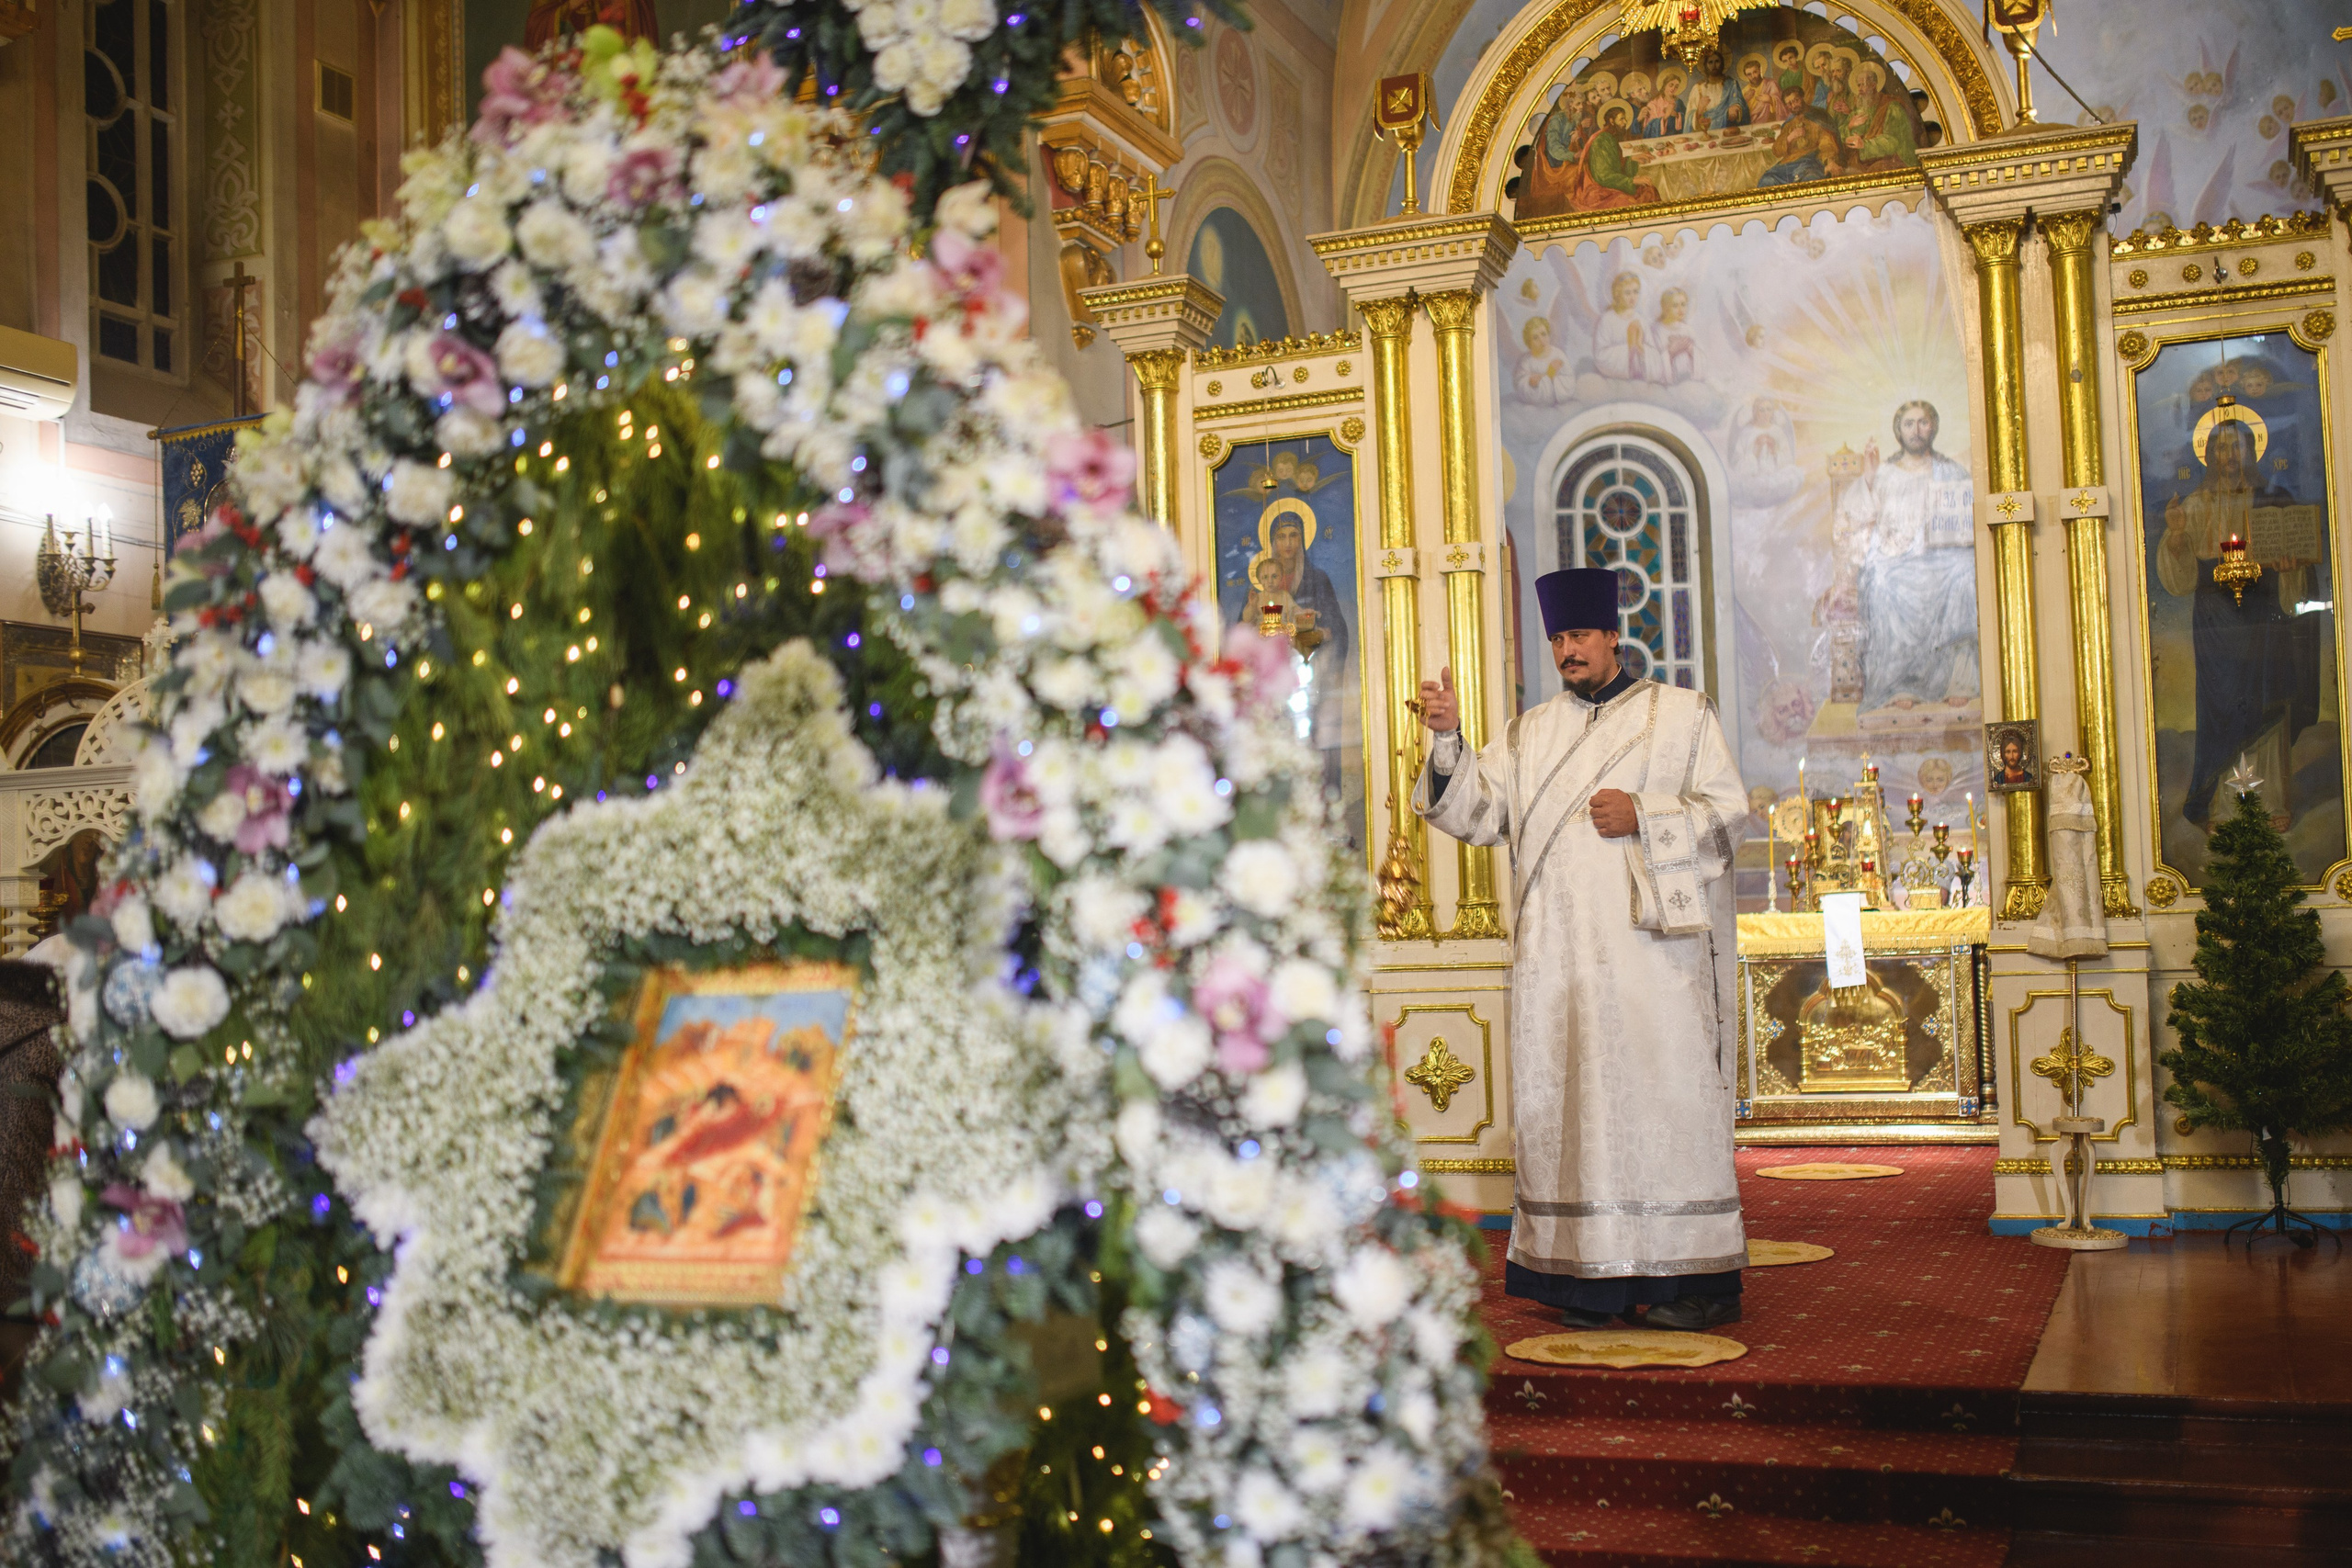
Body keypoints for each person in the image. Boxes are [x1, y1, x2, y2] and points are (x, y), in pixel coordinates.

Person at [1414, 568, 1748, 1331]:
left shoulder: (1683, 716)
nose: (1568, 650)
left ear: (1612, 636)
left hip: (1653, 969)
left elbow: (1729, 818)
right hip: (1560, 970)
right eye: (1559, 638)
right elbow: (1474, 810)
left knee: (1664, 1110)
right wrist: (1446, 739)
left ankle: (1688, 1283)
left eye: (1580, 637)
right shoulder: (1530, 733)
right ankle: (1581, 1280)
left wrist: (1645, 811)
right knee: (1577, 1118)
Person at [2156, 413, 2317, 829]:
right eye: (2221, 448)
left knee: (2267, 699)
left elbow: (2297, 580)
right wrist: (2176, 537)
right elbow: (2178, 579)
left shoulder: (2272, 500)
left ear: (2250, 451)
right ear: (2209, 455)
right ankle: (2219, 806)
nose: (2230, 455)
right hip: (2215, 621)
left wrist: (2289, 567)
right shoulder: (2192, 507)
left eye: (2237, 447)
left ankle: (2271, 801)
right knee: (2222, 707)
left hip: (2264, 617)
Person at [1836, 399, 1977, 713]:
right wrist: (1869, 477)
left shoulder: (1950, 470)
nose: (1917, 430)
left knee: (1967, 571)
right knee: (1883, 583)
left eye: (1923, 422)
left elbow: (1968, 518)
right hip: (1895, 558)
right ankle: (1900, 684)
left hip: (1941, 559)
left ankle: (1959, 681)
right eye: (1909, 424)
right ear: (1899, 431)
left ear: (1934, 427)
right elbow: (1857, 514)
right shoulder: (1885, 472)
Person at [1568, 102, 1661, 211]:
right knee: (1630, 204)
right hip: (1599, 191)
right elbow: (1604, 176)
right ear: (1612, 121)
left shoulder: (1612, 136)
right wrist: (1632, 181)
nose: (1625, 122)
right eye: (1621, 119)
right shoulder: (1601, 140)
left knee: (1650, 190)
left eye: (1625, 119)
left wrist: (1632, 159)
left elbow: (1616, 162)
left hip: (1613, 184)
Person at [1843, 62, 1917, 170]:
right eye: (1858, 85)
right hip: (1861, 163)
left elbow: (1893, 142)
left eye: (1863, 84)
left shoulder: (1892, 107)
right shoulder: (1858, 111)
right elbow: (1840, 136)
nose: (1859, 89)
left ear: (1873, 85)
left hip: (1892, 161)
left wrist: (1865, 145)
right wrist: (1849, 127)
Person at [1591, 270, 1656, 380]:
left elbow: (1654, 354)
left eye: (1636, 292)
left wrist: (1640, 347)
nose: (1633, 297)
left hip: (1641, 379)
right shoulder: (1607, 319)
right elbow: (1600, 355)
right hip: (1614, 379)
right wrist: (1631, 348)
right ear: (1617, 294)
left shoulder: (1641, 321)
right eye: (1627, 292)